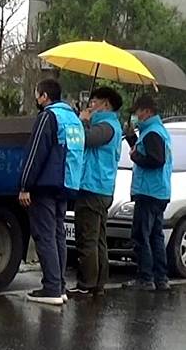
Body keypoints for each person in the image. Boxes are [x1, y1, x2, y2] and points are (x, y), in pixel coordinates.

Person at [19, 79, 85, 306]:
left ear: (45, 96)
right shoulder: (74, 119)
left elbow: (36, 152)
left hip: (46, 185)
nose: (37, 99)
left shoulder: (48, 116)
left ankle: (51, 288)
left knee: (45, 236)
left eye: (38, 94)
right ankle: (60, 286)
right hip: (67, 184)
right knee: (58, 236)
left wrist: (25, 185)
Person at [68, 87, 123, 297]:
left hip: (93, 187)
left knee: (87, 238)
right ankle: (98, 282)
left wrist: (81, 121)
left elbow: (85, 140)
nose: (91, 104)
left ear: (106, 104)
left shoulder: (107, 126)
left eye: (95, 101)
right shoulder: (112, 125)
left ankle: (86, 283)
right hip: (102, 187)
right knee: (99, 239)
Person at [123, 95, 172, 291]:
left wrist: (136, 157)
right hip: (159, 191)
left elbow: (155, 159)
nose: (136, 115)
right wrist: (132, 139)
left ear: (147, 111)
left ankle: (146, 278)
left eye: (138, 111)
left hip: (149, 191)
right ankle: (161, 278)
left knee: (142, 235)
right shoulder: (157, 131)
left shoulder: (152, 132)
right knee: (155, 236)